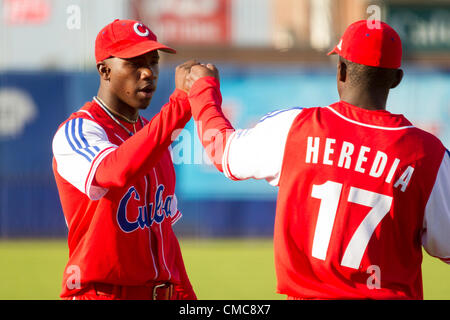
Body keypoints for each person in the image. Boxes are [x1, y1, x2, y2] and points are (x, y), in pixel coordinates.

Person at [185, 20, 450, 299]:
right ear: (396, 79)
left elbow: (222, 150)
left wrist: (203, 89)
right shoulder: (427, 155)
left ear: (342, 70)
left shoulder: (295, 129)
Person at [52, 19, 200, 300]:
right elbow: (113, 171)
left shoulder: (152, 136)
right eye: (134, 62)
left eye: (153, 61)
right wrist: (180, 104)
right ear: (105, 70)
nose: (148, 72)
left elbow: (164, 234)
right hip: (101, 293)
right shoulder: (79, 130)